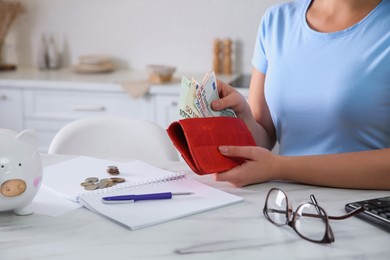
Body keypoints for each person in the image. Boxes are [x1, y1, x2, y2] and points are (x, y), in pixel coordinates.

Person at [211, 0, 390, 189]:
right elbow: (263, 138)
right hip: (282, 204)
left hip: (364, 209)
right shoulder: (276, 21)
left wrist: (278, 168)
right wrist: (243, 115)